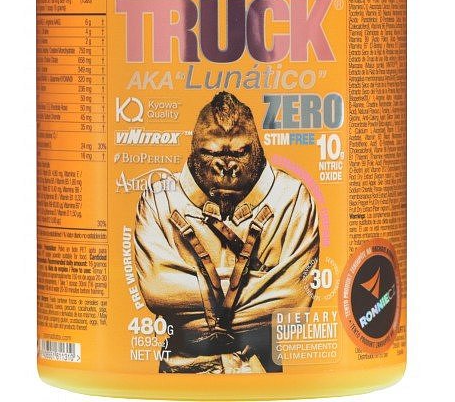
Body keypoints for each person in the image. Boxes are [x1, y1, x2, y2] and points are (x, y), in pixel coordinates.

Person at [134, 91, 320, 373]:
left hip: (262, 374)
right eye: (212, 153)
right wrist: (260, 283)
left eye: (239, 153)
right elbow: (158, 291)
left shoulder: (292, 197)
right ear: (195, 151)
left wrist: (195, 303)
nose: (226, 168)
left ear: (256, 150)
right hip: (179, 372)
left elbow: (293, 302)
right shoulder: (158, 198)